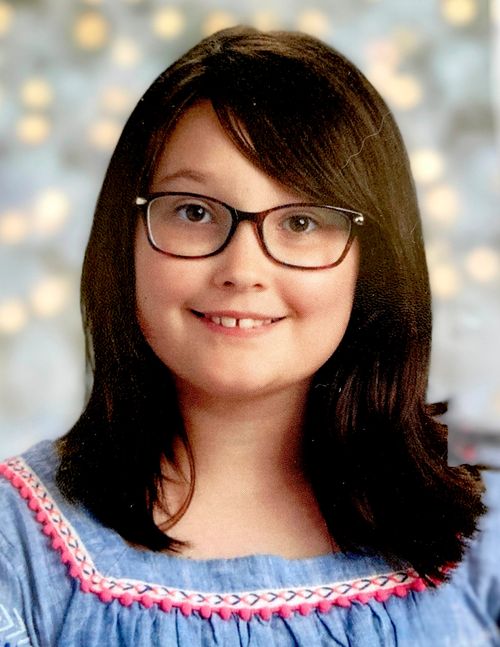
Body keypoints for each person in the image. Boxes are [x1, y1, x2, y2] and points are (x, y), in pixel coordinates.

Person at [0, 25, 498, 647]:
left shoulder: (485, 524)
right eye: (194, 211)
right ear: (121, 240)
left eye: (302, 221)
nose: (242, 270)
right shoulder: (13, 546)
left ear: (375, 263)